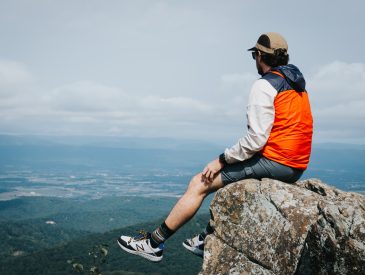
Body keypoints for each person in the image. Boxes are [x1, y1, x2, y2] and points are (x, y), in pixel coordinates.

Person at [117, 32, 313, 262]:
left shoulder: (264, 86)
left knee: (200, 183)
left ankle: (153, 244)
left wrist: (221, 159)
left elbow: (256, 139)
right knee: (236, 186)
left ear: (260, 55)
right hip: (296, 165)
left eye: (254, 56)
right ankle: (208, 238)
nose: (254, 61)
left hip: (276, 161)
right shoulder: (296, 84)